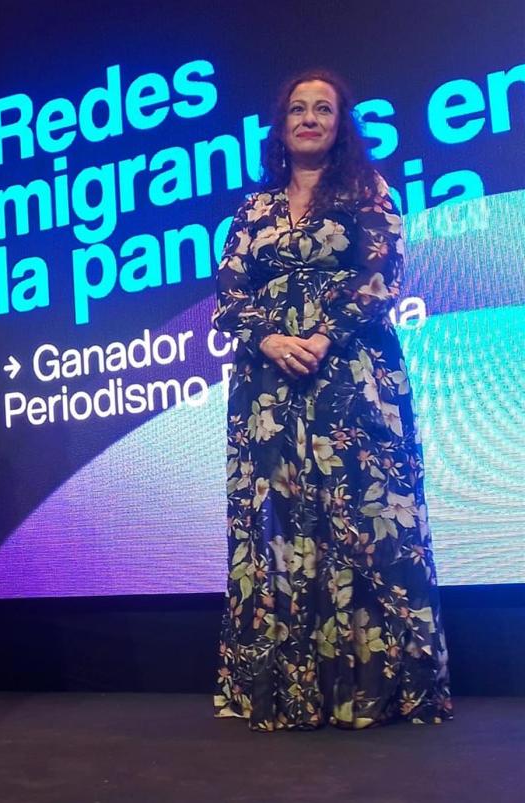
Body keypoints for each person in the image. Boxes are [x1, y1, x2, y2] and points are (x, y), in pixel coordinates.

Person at [211, 70, 451, 731]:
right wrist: (269, 338)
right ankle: (289, 691)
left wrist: (319, 336)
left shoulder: (368, 192)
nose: (310, 118)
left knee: (365, 522)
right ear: (282, 125)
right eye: (298, 108)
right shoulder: (253, 209)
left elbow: (381, 275)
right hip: (267, 391)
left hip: (353, 378)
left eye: (323, 108)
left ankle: (375, 688)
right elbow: (229, 294)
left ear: (341, 124)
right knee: (280, 528)